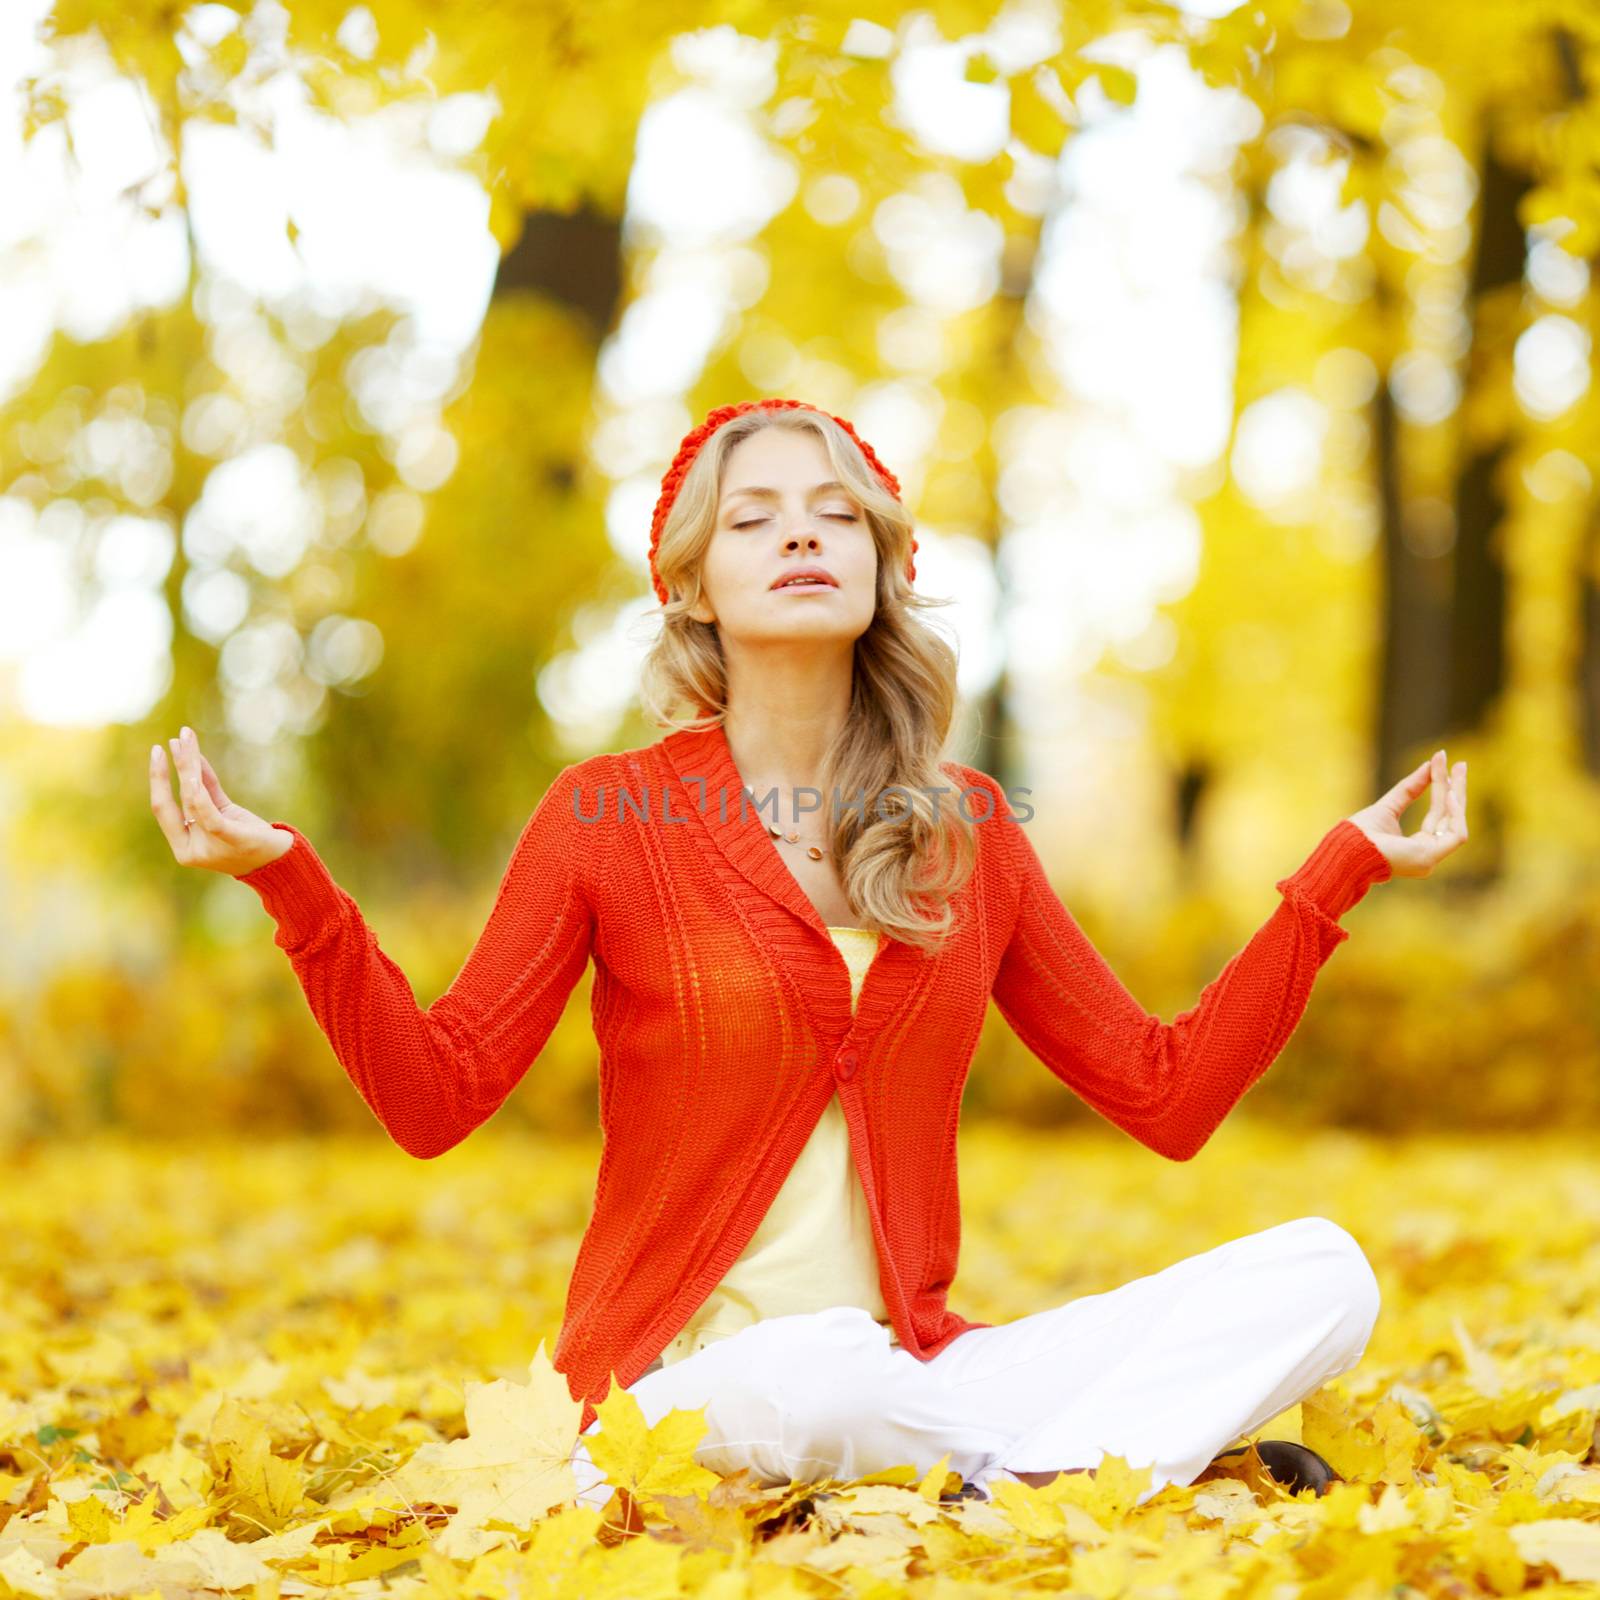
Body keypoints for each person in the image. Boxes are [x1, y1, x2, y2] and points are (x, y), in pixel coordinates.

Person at [149, 397, 1469, 1510]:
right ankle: (1098, 1472)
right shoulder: (608, 817)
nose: (799, 531)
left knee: (1322, 1275)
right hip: (681, 1397)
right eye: (754, 514)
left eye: (838, 512)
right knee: (820, 1375)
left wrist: (1333, 875)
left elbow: (1167, 1096)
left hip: (916, 1376)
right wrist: (289, 881)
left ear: (888, 566)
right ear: (690, 584)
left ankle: (1000, 1489)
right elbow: (434, 1099)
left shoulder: (971, 831)